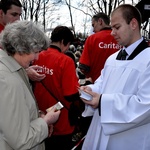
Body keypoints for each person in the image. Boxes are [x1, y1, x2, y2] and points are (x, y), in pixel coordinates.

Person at [80, 4, 150, 150]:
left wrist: (102, 102)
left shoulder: (148, 59)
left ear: (133, 24)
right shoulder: (112, 58)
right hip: (101, 130)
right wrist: (89, 90)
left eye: (117, 27)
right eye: (111, 27)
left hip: (130, 138)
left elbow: (146, 104)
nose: (112, 33)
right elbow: (102, 84)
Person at [0, 20, 61, 150]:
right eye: (36, 51)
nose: (37, 57)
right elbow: (21, 140)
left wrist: (36, 116)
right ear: (22, 47)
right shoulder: (9, 80)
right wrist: (46, 121)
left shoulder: (13, 70)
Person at [33, 26, 83, 150]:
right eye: (68, 45)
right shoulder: (65, 60)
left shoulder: (36, 56)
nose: (67, 49)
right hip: (61, 120)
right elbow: (70, 93)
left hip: (39, 115)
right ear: (63, 42)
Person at [0, 0, 46, 81]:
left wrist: (25, 69)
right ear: (1, 13)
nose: (18, 19)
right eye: (14, 14)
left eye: (19, 15)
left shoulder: (18, 33)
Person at [79, 12, 121, 83]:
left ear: (100, 21)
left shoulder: (91, 39)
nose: (93, 29)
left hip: (97, 85)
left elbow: (83, 67)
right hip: (118, 84)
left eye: (93, 25)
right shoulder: (120, 38)